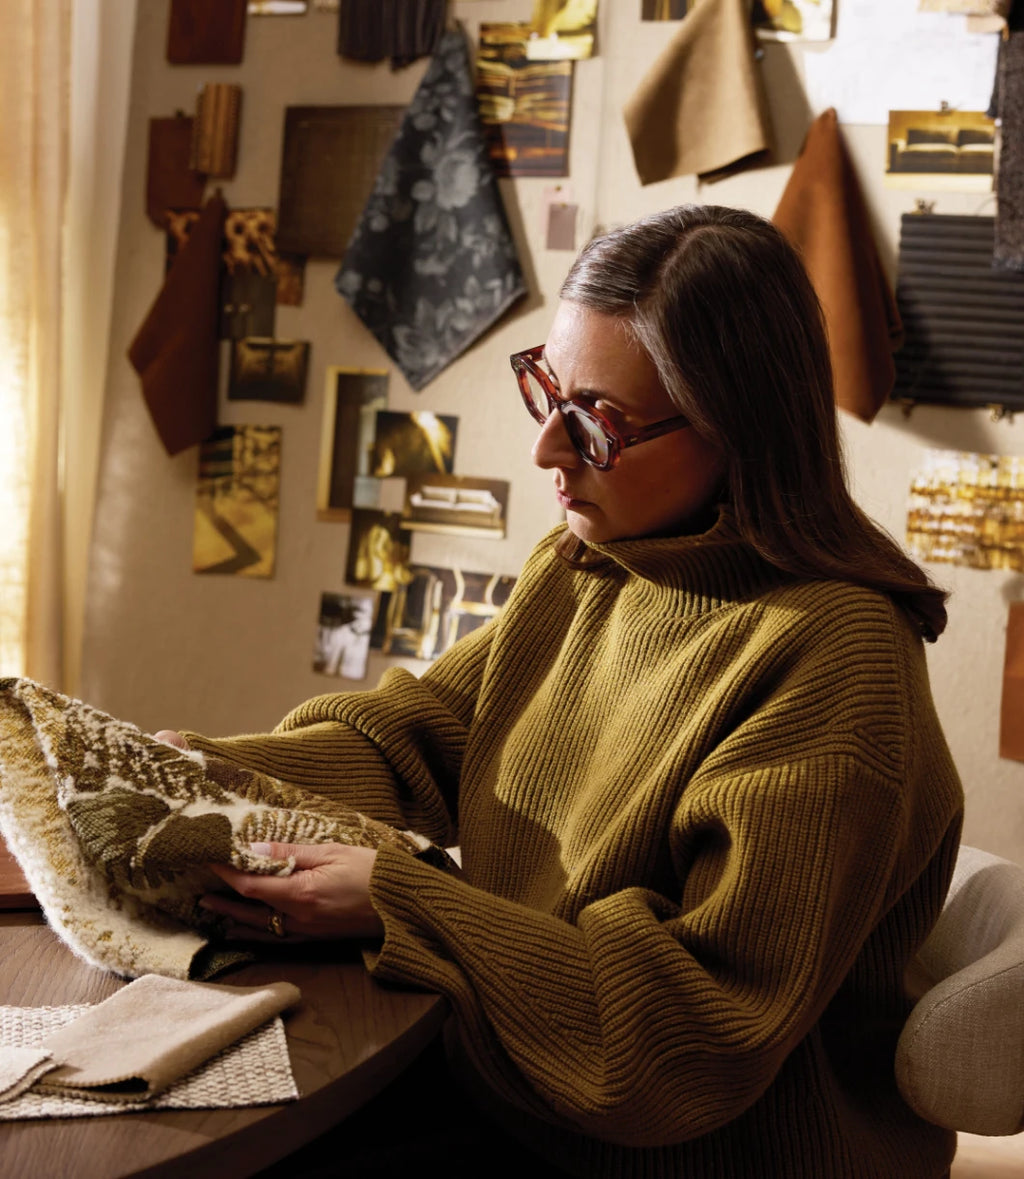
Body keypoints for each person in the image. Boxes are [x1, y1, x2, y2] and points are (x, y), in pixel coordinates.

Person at [158, 205, 963, 1178]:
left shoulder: (833, 659)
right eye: (548, 390)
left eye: (597, 425)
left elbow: (683, 1042)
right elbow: (417, 737)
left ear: (734, 427)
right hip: (516, 1083)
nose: (548, 451)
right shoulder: (595, 561)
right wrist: (176, 771)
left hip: (687, 1151)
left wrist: (400, 902)